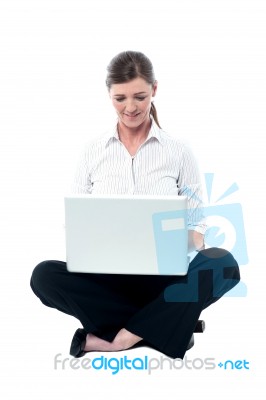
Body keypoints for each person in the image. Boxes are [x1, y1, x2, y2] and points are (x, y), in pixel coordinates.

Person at [30, 50, 240, 359]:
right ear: (109, 94)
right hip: (107, 280)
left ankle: (123, 336)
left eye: (140, 97)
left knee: (223, 263)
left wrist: (164, 242)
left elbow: (197, 231)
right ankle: (168, 323)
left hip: (164, 280)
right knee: (43, 275)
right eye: (120, 99)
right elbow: (76, 227)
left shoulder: (179, 151)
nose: (130, 108)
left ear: (154, 89)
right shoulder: (92, 152)